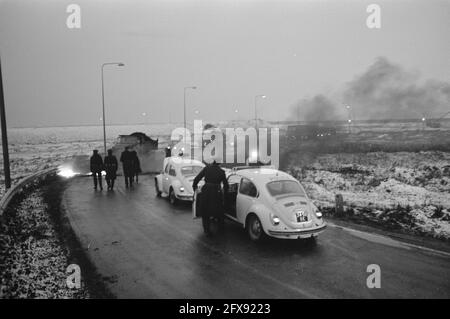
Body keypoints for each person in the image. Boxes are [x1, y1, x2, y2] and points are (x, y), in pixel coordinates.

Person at [193, 159, 229, 235]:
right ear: (220, 163)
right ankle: (220, 229)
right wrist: (225, 195)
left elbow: (196, 179)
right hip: (216, 192)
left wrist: (195, 189)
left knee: (205, 212)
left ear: (213, 161)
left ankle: (207, 231)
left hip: (206, 192)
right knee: (219, 211)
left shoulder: (206, 168)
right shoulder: (221, 172)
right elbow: (226, 186)